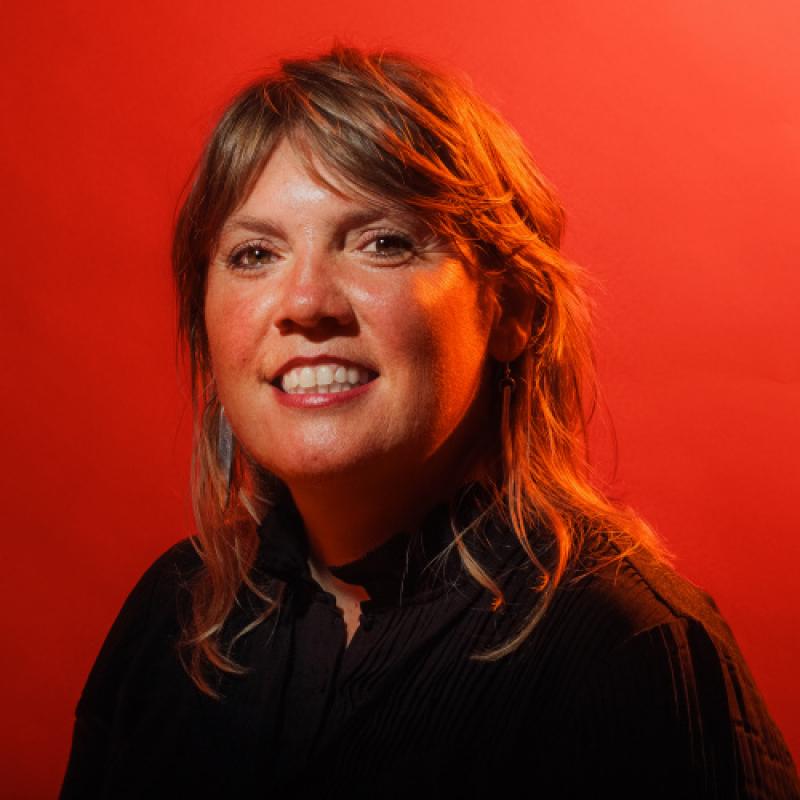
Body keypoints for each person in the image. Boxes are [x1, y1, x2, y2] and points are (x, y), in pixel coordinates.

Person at [59, 44, 800, 798]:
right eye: (254, 253)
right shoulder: (171, 619)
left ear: (511, 310)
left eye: (383, 242)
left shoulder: (630, 650)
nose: (306, 301)